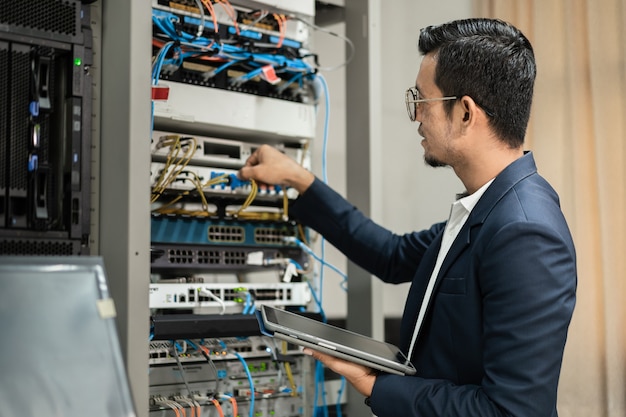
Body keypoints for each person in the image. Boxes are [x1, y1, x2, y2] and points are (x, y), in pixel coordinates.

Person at [238, 18, 577, 417]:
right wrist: (299, 178)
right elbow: (392, 255)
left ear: (465, 113)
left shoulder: (525, 231)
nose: (416, 115)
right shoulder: (488, 208)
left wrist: (378, 386)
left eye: (422, 99)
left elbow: (511, 412)